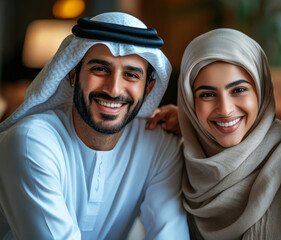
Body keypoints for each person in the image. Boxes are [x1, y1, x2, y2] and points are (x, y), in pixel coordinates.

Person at [0, 12, 189, 239]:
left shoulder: (160, 145)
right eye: (100, 69)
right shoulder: (31, 142)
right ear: (72, 74)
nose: (114, 89)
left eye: (130, 75)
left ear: (147, 90)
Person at [150, 28, 281, 239]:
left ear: (261, 90)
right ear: (190, 103)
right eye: (207, 94)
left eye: (238, 90)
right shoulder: (178, 166)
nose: (226, 109)